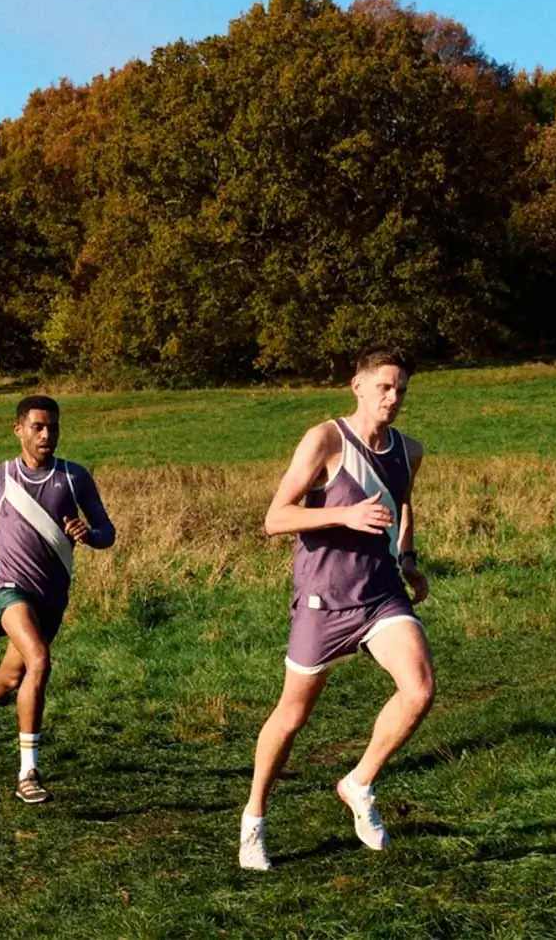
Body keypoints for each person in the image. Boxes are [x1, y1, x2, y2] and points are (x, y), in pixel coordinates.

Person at [239, 347, 434, 870]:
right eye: (385, 387)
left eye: (401, 390)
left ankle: (358, 781)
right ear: (358, 386)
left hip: (380, 594)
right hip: (323, 601)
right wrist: (343, 514)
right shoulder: (325, 440)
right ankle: (254, 818)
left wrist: (408, 558)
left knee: (419, 690)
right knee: (293, 715)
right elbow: (274, 519)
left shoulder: (408, 450)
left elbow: (402, 504)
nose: (393, 398)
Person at [0, 394, 115, 804]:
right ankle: (28, 772)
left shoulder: (75, 478)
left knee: (12, 677)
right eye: (37, 427)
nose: (46, 435)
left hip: (52, 597)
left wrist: (87, 535)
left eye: (52, 427)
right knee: (39, 660)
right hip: (8, 589)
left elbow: (107, 533)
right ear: (18, 429)